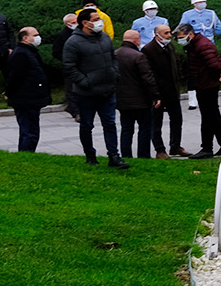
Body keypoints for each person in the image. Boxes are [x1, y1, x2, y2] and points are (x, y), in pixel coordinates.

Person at [64, 10, 126, 169]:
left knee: (110, 124)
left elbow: (113, 58)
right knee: (87, 125)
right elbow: (69, 67)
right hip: (87, 93)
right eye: (96, 19)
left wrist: (115, 74)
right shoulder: (73, 42)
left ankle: (114, 156)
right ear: (85, 23)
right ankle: (90, 155)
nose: (100, 21)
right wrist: (85, 82)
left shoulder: (105, 37)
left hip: (107, 90)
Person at [180, 21, 221, 158]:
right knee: (213, 116)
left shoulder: (201, 45)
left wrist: (218, 76)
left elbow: (215, 65)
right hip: (205, 83)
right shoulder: (195, 44)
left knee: (208, 117)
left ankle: (207, 148)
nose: (180, 40)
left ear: (190, 34)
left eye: (182, 37)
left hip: (207, 84)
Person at [113, 29, 161, 161]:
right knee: (144, 129)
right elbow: (148, 78)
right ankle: (143, 156)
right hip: (141, 100)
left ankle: (126, 155)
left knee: (126, 129)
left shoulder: (114, 54)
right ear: (136, 40)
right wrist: (155, 95)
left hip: (122, 100)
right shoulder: (138, 56)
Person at [142, 24, 186, 157]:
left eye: (169, 32)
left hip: (172, 90)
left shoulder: (170, 46)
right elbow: (148, 73)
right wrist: (154, 93)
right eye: (166, 33)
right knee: (156, 122)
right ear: (157, 35)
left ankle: (175, 146)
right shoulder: (148, 50)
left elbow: (175, 64)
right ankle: (160, 150)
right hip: (158, 93)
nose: (169, 35)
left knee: (177, 119)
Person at [4, 26, 49, 151]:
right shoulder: (22, 54)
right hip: (26, 99)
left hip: (31, 98)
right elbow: (15, 77)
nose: (38, 38)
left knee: (31, 129)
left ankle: (27, 152)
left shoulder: (29, 52)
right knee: (29, 131)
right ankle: (26, 154)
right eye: (35, 35)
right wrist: (9, 93)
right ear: (25, 38)